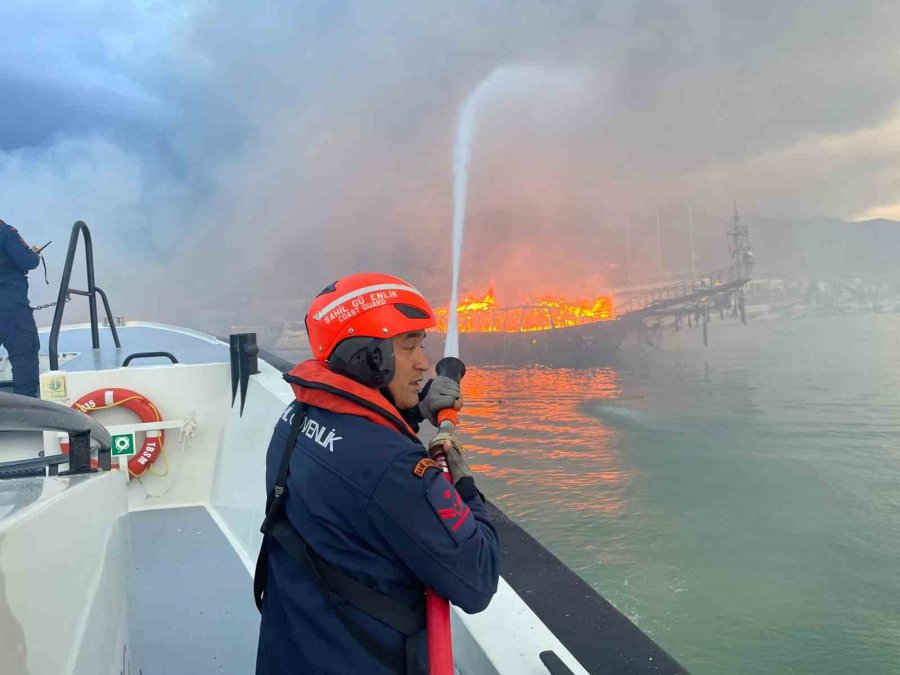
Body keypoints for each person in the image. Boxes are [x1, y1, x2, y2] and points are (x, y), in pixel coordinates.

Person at [255, 272, 499, 675]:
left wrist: (413, 410)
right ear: (367, 357)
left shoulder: (295, 417)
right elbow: (477, 577)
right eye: (409, 347)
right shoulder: (395, 470)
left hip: (293, 649)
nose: (424, 363)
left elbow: (353, 444)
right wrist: (465, 484)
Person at [0, 218, 41, 398]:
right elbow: (27, 262)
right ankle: (26, 418)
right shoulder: (4, 231)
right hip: (10, 309)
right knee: (24, 357)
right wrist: (34, 254)